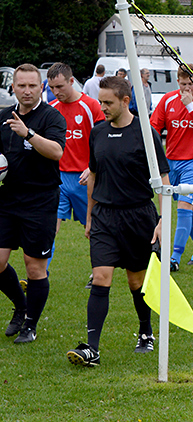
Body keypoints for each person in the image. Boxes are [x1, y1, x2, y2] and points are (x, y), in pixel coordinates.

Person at [66, 76, 170, 367]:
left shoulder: (146, 134)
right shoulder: (97, 133)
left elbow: (163, 180)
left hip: (138, 216)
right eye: (100, 101)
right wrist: (88, 216)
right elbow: (94, 176)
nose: (103, 107)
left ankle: (146, 331)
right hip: (104, 218)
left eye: (108, 102)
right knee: (101, 276)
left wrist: (162, 219)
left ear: (126, 101)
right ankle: (92, 348)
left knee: (136, 281)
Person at [0, 64, 66, 344]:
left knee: (34, 266)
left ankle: (31, 324)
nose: (27, 91)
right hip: (7, 199)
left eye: (32, 85)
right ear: (12, 87)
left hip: (40, 201)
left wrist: (27, 133)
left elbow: (56, 152)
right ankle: (21, 305)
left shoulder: (52, 116)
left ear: (42, 87)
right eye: (21, 85)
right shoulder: (3, 117)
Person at [150, 63, 193, 272]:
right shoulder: (168, 99)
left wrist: (191, 106)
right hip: (171, 162)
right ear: (178, 81)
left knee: (184, 207)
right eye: (183, 84)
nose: (187, 88)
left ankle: (174, 257)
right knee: (188, 205)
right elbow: (154, 127)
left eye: (191, 84)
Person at [47, 63, 105, 278]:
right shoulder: (51, 109)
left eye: (60, 86)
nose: (56, 92)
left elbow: (103, 142)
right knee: (50, 225)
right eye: (52, 88)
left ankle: (97, 272)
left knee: (93, 227)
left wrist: (92, 167)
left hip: (85, 179)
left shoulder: (92, 107)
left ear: (72, 81)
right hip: (58, 178)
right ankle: (40, 273)